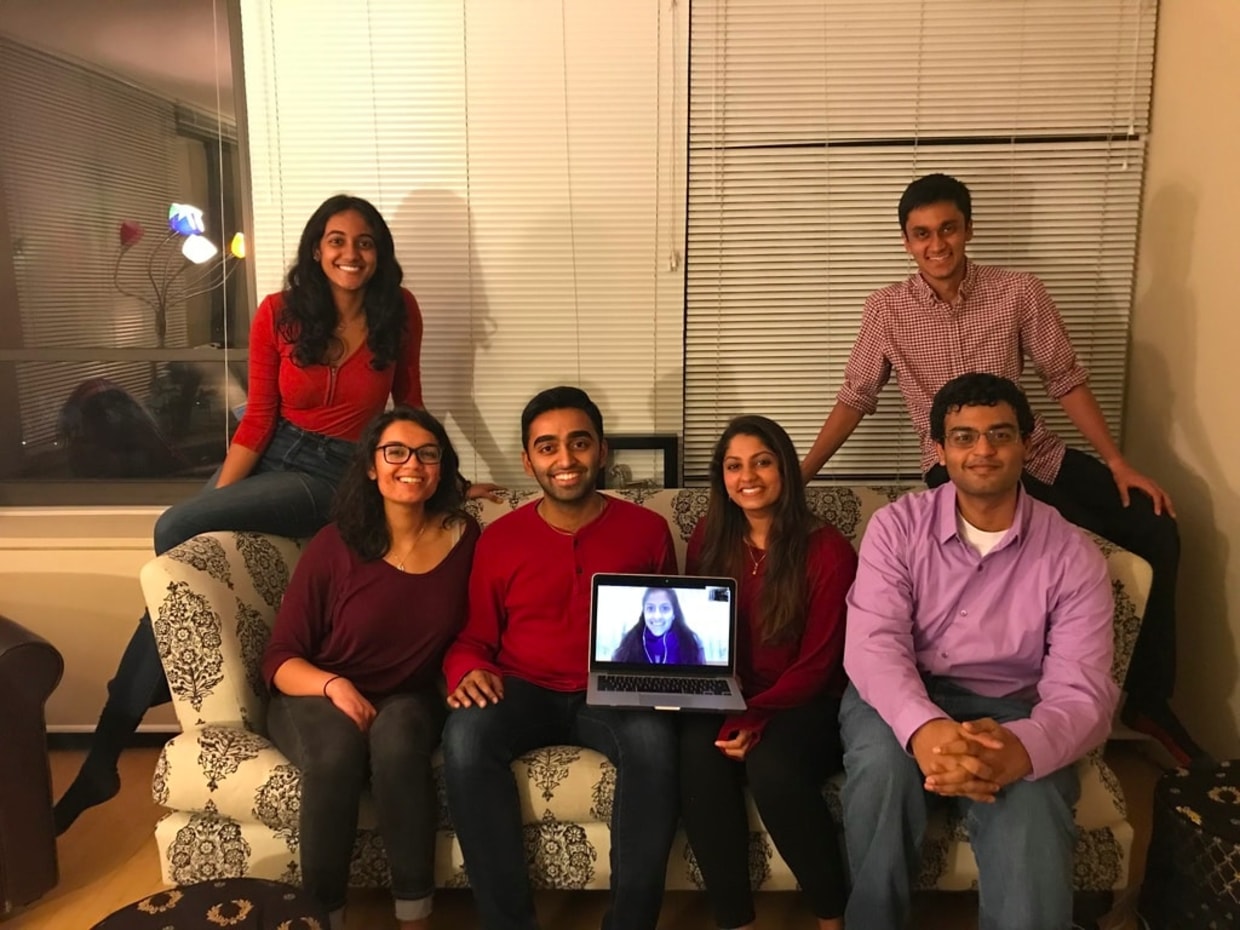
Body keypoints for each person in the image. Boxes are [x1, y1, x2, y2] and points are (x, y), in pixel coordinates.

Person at [54, 194, 497, 834]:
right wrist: (212, 509)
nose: (351, 253)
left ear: (380, 253)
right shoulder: (279, 313)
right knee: (183, 548)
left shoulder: (398, 310)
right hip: (274, 452)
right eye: (337, 240)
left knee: (175, 527)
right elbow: (260, 418)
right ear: (317, 248)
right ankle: (109, 749)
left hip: (334, 472)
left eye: (365, 242)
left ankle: (109, 743)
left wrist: (448, 480)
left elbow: (411, 402)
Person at [799, 172, 1208, 768]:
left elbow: (1064, 377)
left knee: (1155, 523)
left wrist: (1118, 463)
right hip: (961, 470)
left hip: (1032, 450)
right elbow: (856, 396)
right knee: (1052, 543)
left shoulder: (1017, 291)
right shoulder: (886, 309)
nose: (936, 245)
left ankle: (1148, 701)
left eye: (947, 229)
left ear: (968, 229)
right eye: (921, 234)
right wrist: (802, 473)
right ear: (906, 242)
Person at [840, 373, 1118, 930]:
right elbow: (874, 645)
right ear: (940, 450)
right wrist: (925, 728)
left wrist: (1023, 748)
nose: (983, 450)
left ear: (1026, 444)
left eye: (1000, 434)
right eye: (964, 437)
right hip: (901, 693)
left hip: (1012, 709)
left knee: (1033, 802)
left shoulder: (1072, 554)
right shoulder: (896, 527)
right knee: (881, 771)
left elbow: (1082, 690)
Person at [440, 386, 680, 930]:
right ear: (529, 461)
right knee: (465, 737)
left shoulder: (648, 531)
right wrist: (466, 669)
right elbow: (473, 637)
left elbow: (667, 625)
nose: (565, 459)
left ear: (602, 450)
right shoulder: (499, 539)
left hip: (613, 691)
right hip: (522, 687)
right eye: (547, 447)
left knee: (654, 743)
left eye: (579, 443)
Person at [262, 406, 478, 930]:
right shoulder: (334, 544)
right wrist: (334, 685)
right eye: (395, 452)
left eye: (427, 454)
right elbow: (280, 657)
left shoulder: (465, 537)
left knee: (399, 743)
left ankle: (414, 914)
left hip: (410, 695)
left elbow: (479, 626)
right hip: (317, 690)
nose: (412, 465)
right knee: (336, 755)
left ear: (442, 468)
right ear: (370, 466)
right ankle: (324, 916)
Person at [679, 415, 856, 930]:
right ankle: (736, 920)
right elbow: (702, 630)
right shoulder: (709, 536)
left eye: (761, 462)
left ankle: (832, 916)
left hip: (810, 701)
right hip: (732, 694)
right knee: (695, 751)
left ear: (785, 469)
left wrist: (753, 716)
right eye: (734, 466)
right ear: (722, 477)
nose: (748, 477)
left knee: (771, 767)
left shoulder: (828, 550)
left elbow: (819, 663)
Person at [612, 587, 706, 665]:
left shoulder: (691, 645)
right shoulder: (628, 646)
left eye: (665, 608)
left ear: (674, 614)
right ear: (644, 613)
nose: (657, 616)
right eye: (650, 608)